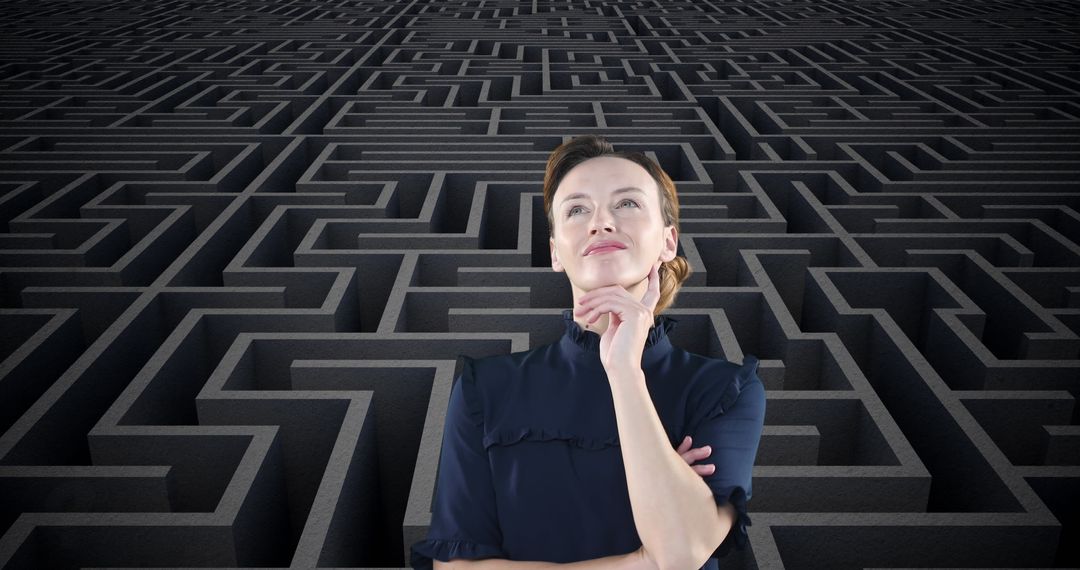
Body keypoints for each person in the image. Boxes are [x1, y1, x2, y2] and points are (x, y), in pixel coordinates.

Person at [410, 135, 766, 569]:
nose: (601, 222)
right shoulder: (485, 389)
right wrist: (641, 562)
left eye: (627, 203)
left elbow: (678, 555)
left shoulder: (724, 390)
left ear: (668, 242)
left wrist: (625, 372)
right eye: (577, 210)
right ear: (555, 252)